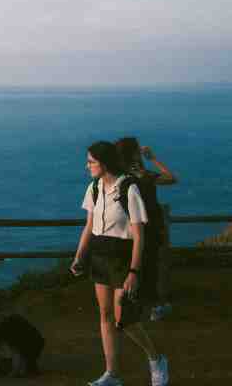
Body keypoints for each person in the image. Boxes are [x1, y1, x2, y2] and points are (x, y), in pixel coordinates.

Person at [71, 141, 169, 386]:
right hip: (99, 254)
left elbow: (139, 235)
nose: (87, 166)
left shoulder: (128, 188)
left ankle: (156, 358)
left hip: (122, 257)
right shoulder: (93, 188)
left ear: (104, 163)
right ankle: (112, 374)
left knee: (123, 318)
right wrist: (79, 256)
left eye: (91, 162)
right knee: (104, 315)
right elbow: (88, 226)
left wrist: (134, 271)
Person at [115, 137, 178, 321]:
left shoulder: (120, 174)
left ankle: (131, 304)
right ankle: (154, 308)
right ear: (134, 153)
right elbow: (172, 178)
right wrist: (153, 158)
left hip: (127, 228)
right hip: (150, 227)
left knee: (132, 267)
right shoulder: (142, 174)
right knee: (150, 268)